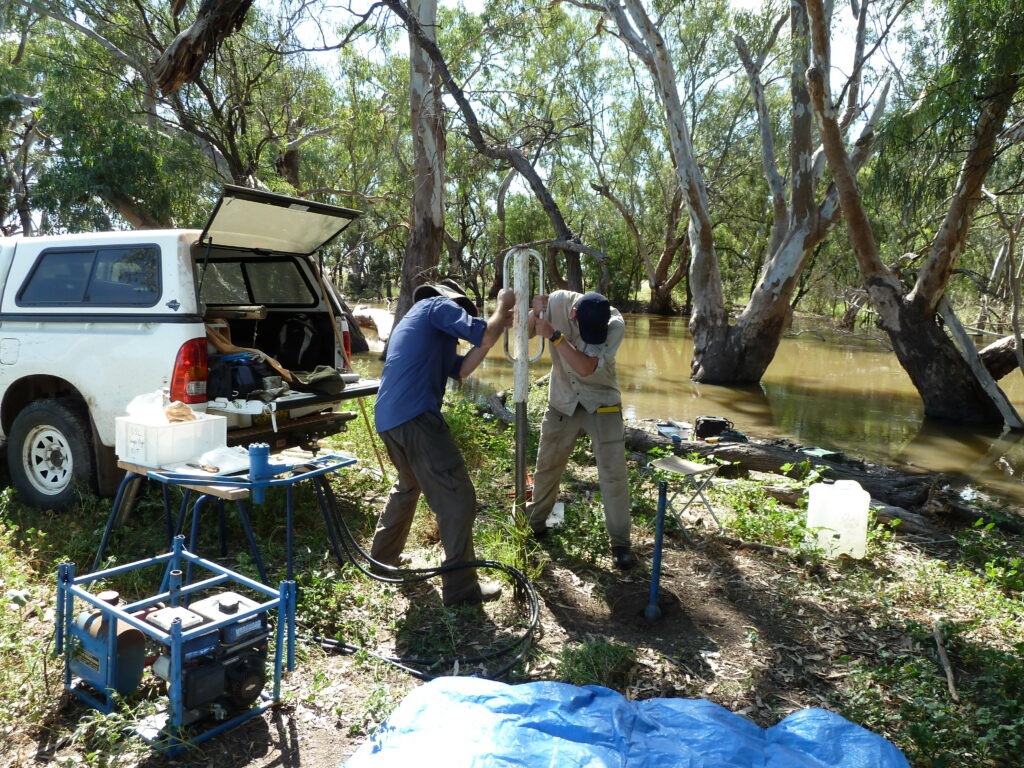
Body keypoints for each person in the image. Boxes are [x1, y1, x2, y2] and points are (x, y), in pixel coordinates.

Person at [370, 279, 515, 606]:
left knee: (408, 487)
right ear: (451, 303)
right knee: (458, 497)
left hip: (390, 419)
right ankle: (462, 590)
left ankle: (382, 560)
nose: (459, 317)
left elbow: (463, 369)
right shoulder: (436, 306)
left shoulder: (419, 323)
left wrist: (493, 330)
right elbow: (480, 332)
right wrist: (503, 305)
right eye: (460, 311)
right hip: (417, 418)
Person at [525, 290, 633, 569]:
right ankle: (535, 525)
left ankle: (620, 544)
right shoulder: (559, 303)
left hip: (602, 403)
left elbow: (585, 368)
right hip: (562, 401)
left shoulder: (615, 325)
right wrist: (534, 313)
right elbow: (522, 336)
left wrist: (555, 336)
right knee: (547, 466)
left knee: (613, 475)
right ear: (574, 314)